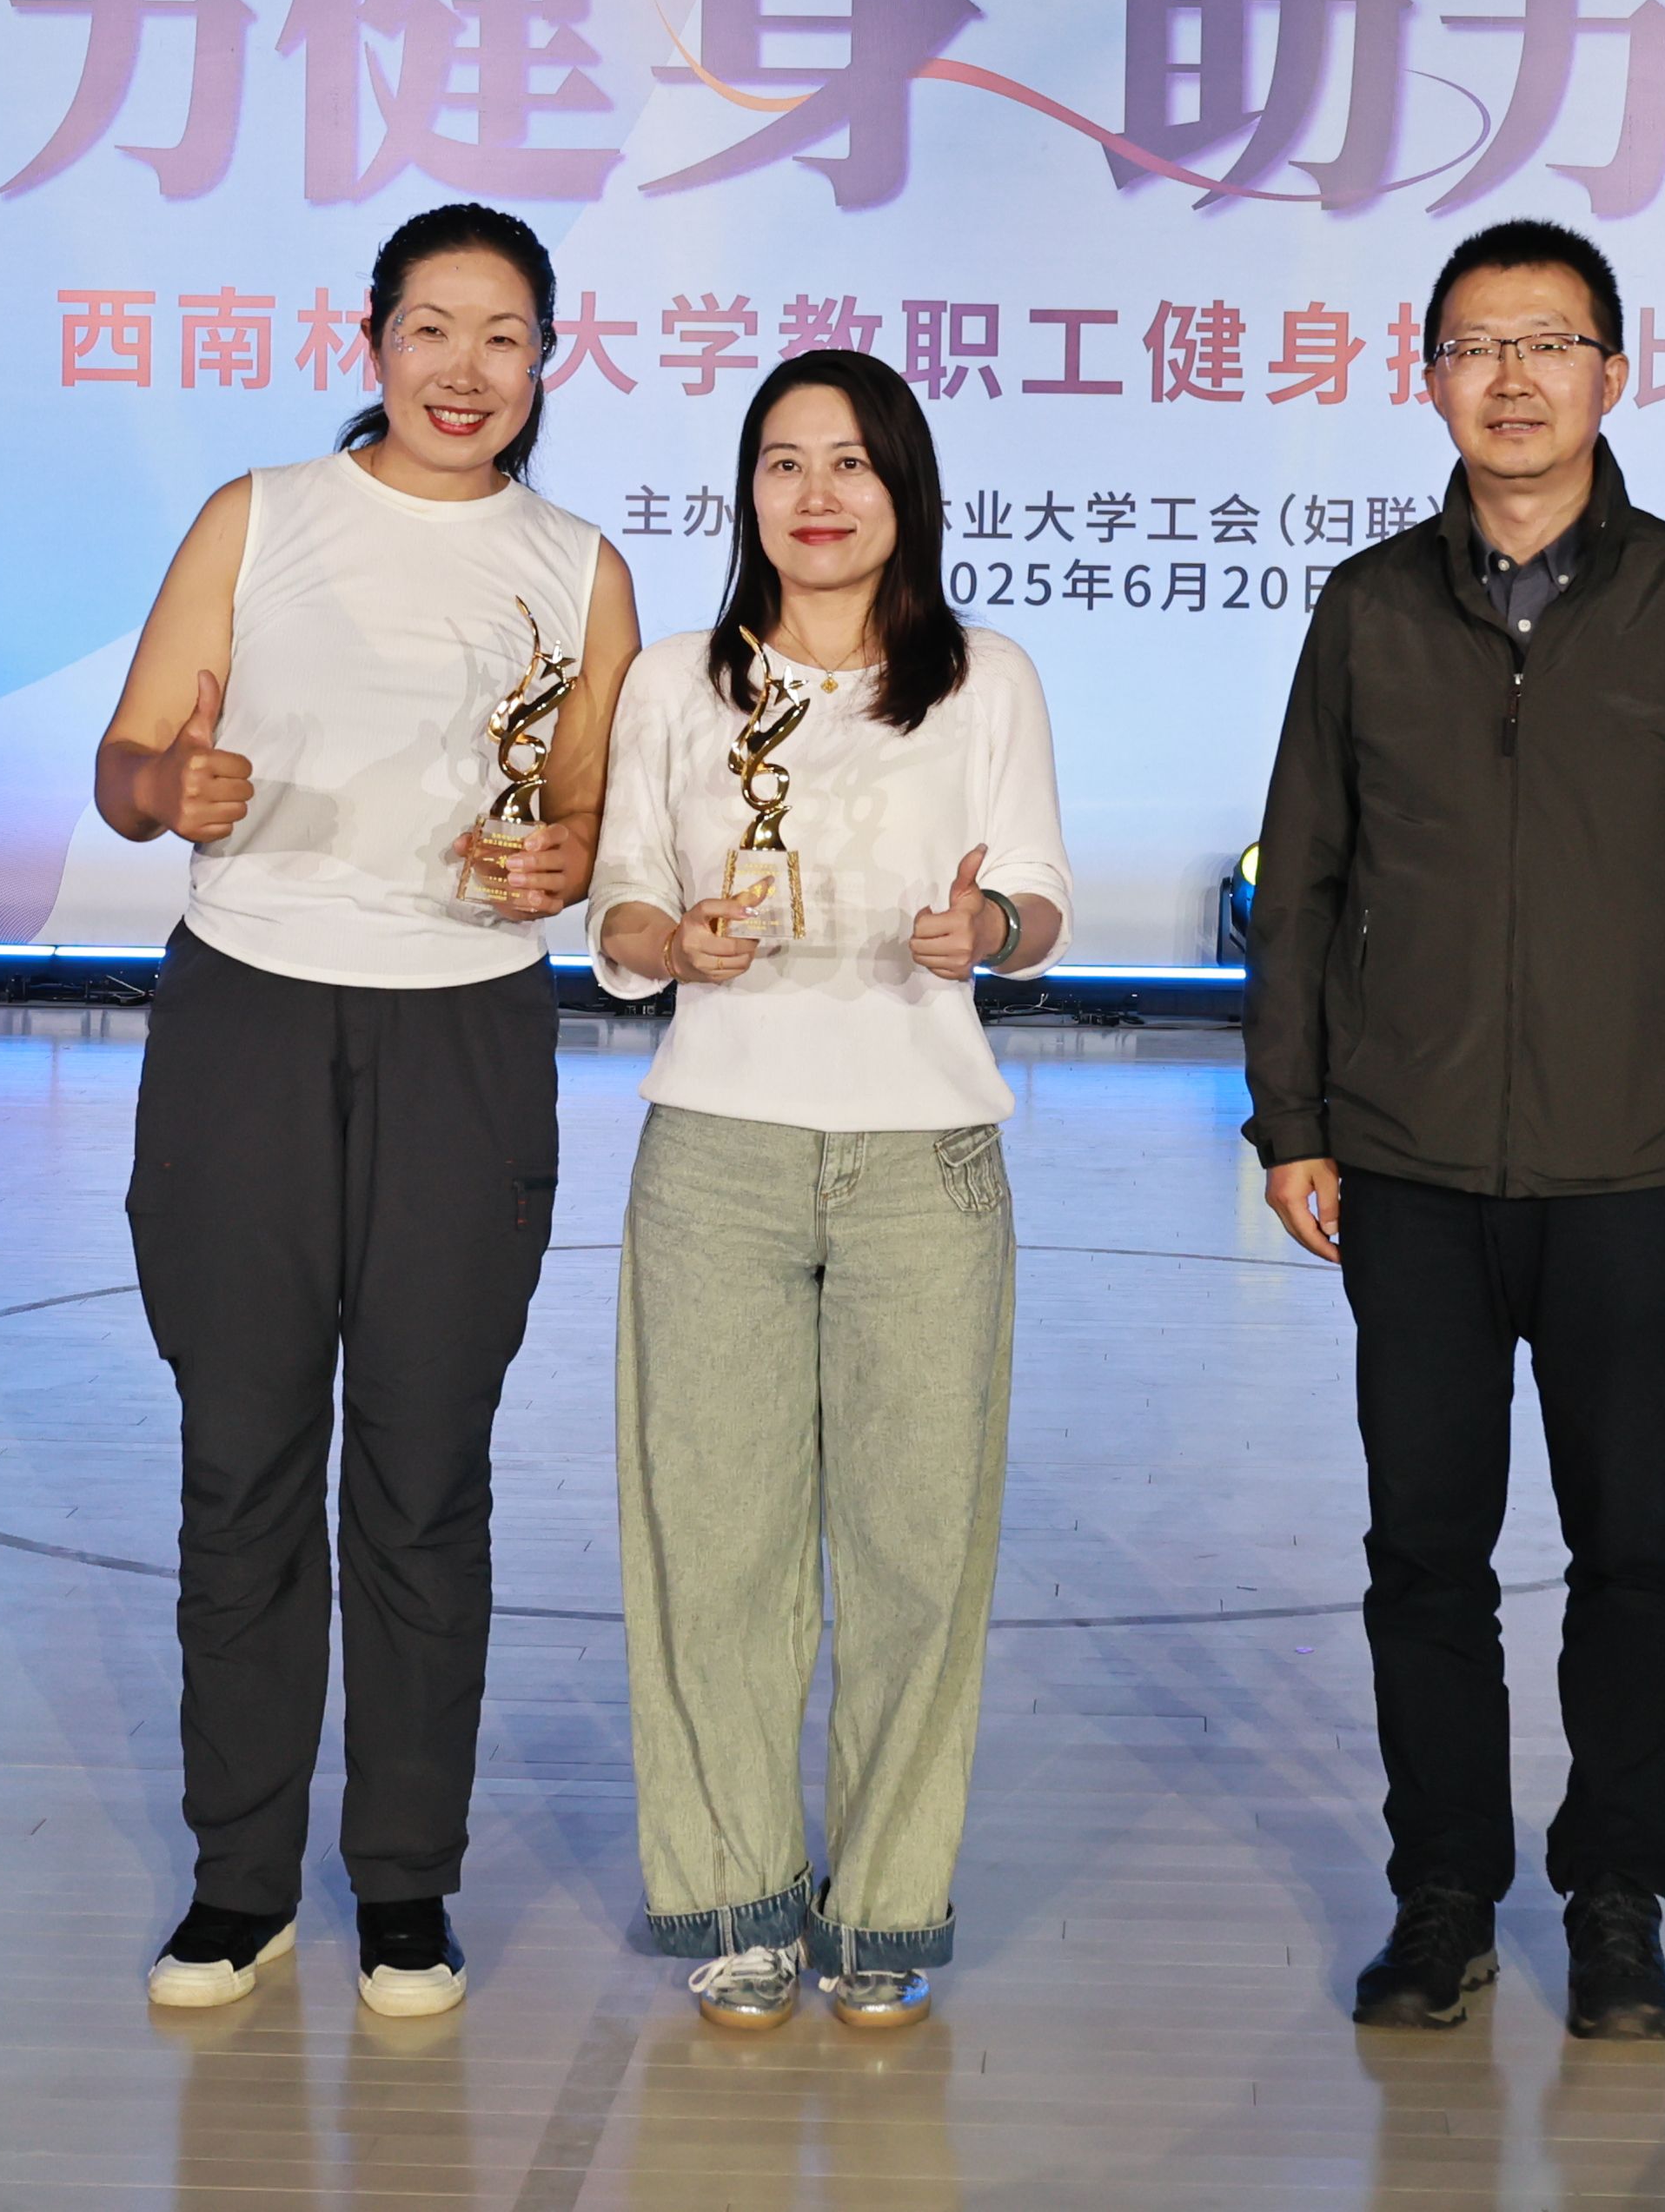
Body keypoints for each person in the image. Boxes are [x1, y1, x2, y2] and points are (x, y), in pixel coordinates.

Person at [1241, 216, 1665, 2043]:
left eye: (1549, 343)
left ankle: (1619, 1898)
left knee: (1630, 1547)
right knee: (1422, 1548)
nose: (1512, 379)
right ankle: (1443, 1894)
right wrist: (1290, 1116)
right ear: (1427, 378)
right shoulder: (1368, 611)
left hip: (1631, 1159)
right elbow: (1301, 875)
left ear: (1613, 373)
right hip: (1406, 1158)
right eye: (1477, 346)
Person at [91, 202, 641, 2020]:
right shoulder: (260, 516)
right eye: (432, 329)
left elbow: (584, 822)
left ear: (548, 358)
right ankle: (238, 1883)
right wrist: (172, 784)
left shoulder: (579, 569)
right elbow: (124, 763)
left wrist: (560, 863)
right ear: (374, 340)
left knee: (423, 1472)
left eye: (504, 336)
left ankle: (405, 1886)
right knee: (243, 1458)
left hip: (465, 1036)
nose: (464, 370)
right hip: (248, 1015)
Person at [585, 349, 1071, 2033]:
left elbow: (1037, 895)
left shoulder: (984, 679)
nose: (816, 494)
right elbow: (619, 908)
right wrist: (675, 940)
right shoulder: (675, 681)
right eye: (783, 462)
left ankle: (884, 1910)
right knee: (712, 1547)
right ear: (748, 494)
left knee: (919, 1552)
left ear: (904, 487)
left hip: (923, 1157)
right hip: (715, 1150)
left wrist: (984, 929)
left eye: (851, 461)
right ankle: (737, 1900)